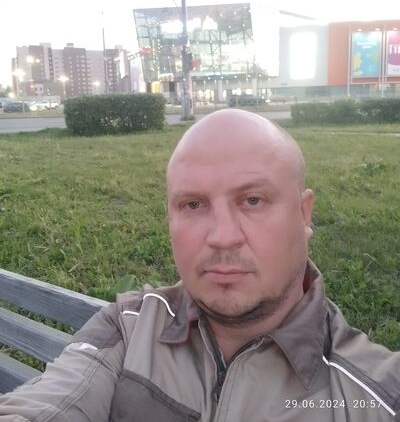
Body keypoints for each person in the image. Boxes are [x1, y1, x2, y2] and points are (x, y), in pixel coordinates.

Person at [0, 109, 399, 421]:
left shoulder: (378, 395)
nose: (223, 236)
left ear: (303, 213)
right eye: (193, 204)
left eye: (253, 200)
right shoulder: (129, 329)